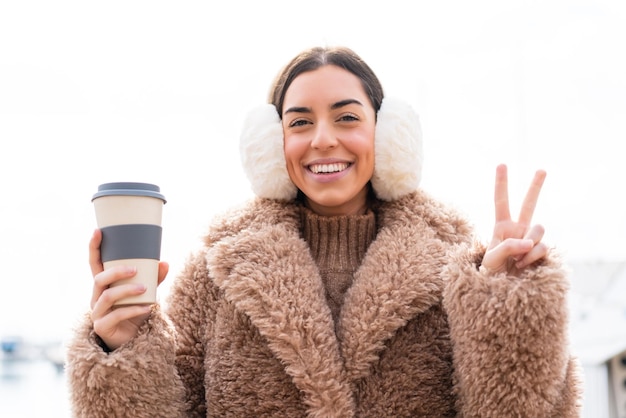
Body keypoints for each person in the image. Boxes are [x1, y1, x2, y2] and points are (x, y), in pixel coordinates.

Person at [66, 46, 583, 417]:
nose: (323, 140)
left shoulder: (460, 270)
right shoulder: (216, 274)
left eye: (347, 117)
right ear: (271, 146)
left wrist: (508, 305)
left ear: (387, 134)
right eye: (299, 122)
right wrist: (121, 352)